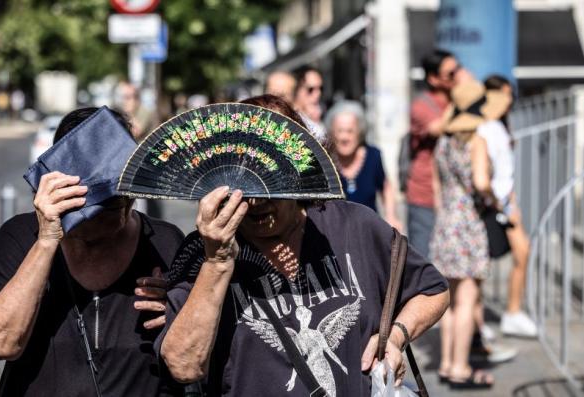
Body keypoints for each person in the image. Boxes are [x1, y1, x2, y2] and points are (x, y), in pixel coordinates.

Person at [159, 94, 450, 396]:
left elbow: (432, 291)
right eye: (243, 182)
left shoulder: (356, 225)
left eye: (269, 180)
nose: (255, 200)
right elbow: (184, 366)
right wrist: (217, 263)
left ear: (297, 172)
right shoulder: (203, 249)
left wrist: (395, 337)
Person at [0, 107, 184, 396]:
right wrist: (47, 240)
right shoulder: (21, 237)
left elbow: (190, 355)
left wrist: (178, 309)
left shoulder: (165, 242)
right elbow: (1, 343)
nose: (123, 210)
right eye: (104, 204)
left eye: (127, 196)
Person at [431, 81, 511, 389]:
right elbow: (480, 181)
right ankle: (461, 367)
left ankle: (446, 363)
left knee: (449, 300)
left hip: (446, 223)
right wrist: (493, 199)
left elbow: (438, 189)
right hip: (468, 224)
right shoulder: (475, 142)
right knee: (467, 299)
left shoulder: (443, 142)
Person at [479, 75, 536, 338]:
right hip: (490, 204)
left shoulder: (501, 126)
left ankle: (513, 312)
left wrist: (512, 204)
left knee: (522, 251)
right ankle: (476, 323)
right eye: (504, 94)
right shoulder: (482, 128)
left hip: (505, 202)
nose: (508, 100)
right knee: (481, 265)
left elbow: (506, 173)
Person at [406, 49, 459, 259]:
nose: (457, 77)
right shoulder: (421, 106)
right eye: (451, 74)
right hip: (424, 193)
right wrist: (461, 100)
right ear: (433, 79)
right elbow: (438, 128)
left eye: (458, 70)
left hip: (454, 195)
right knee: (422, 261)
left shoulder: (454, 101)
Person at [325, 100, 402, 231]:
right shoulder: (325, 160)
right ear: (332, 133)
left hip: (368, 231)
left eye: (350, 131)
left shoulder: (373, 156)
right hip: (334, 232)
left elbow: (385, 187)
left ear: (360, 132)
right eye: (340, 131)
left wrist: (391, 216)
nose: (344, 137)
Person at [293, 66, 327, 144]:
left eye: (321, 88)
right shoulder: (290, 117)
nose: (318, 94)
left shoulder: (318, 115)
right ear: (297, 90)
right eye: (310, 89)